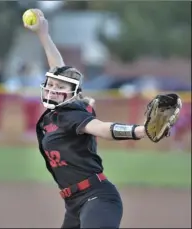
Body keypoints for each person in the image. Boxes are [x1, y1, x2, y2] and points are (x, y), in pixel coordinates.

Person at [23, 9, 146, 228]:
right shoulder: (55, 114)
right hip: (73, 205)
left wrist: (140, 131)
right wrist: (43, 34)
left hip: (97, 198)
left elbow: (102, 129)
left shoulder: (73, 114)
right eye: (50, 84)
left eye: (59, 87)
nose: (52, 89)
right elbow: (57, 67)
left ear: (72, 93)